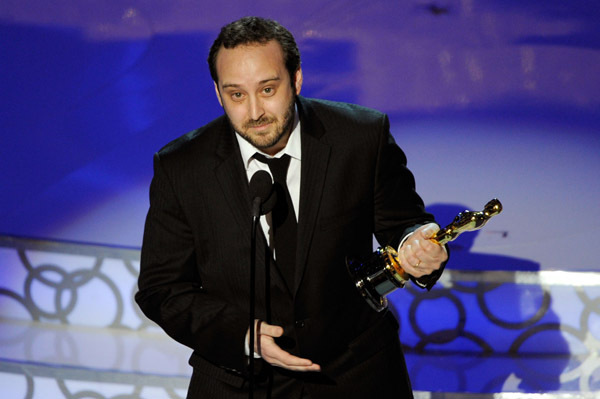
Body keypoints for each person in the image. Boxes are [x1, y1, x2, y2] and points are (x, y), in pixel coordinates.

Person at [135, 16, 448, 399]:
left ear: (296, 79)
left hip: (355, 376)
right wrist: (242, 335)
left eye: (267, 89)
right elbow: (161, 289)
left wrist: (419, 247)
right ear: (217, 93)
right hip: (238, 381)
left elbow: (406, 226)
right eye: (236, 95)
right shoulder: (182, 167)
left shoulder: (361, 138)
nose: (254, 112)